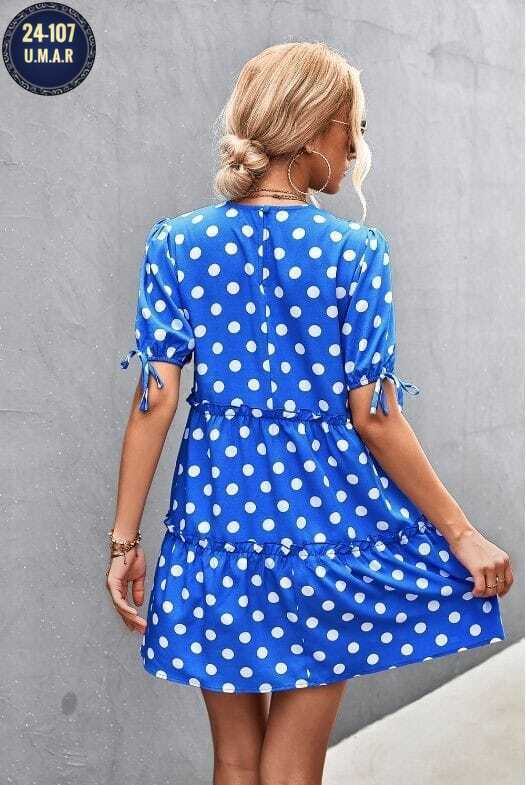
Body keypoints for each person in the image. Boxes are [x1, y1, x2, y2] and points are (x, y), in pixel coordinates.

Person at [107, 42, 513, 785]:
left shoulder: (178, 243)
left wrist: (124, 541)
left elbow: (154, 402)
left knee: (235, 762)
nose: (355, 146)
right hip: (326, 528)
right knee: (293, 772)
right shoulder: (353, 252)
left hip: (215, 526)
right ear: (315, 127)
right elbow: (376, 416)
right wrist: (461, 532)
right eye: (351, 126)